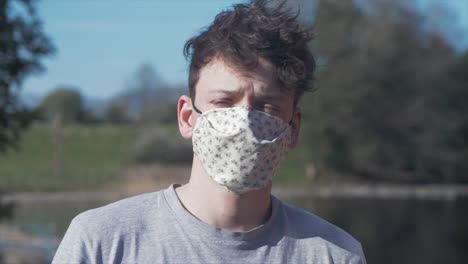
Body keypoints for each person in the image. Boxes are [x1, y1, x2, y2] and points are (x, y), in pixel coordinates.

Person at [53, 1, 366, 263]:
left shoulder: (334, 254)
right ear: (188, 117)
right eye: (223, 101)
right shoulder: (101, 243)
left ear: (293, 127)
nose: (243, 120)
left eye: (266, 106)